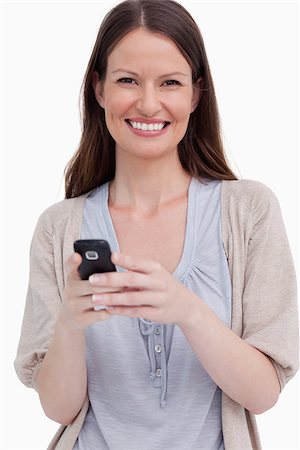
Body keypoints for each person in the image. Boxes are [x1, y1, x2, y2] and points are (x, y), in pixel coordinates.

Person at [14, 1, 298, 449]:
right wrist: (69, 321)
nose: (148, 103)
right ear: (99, 89)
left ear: (195, 94)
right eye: (127, 80)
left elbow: (262, 395)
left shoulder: (249, 211)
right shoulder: (59, 228)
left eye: (170, 82)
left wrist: (186, 310)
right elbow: (59, 408)